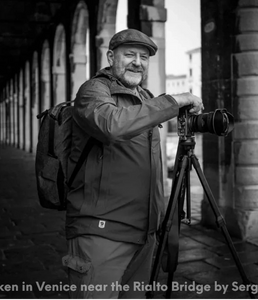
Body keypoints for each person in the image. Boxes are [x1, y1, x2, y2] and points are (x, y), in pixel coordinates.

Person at [61, 28, 203, 300]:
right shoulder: (93, 91)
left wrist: (161, 226)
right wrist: (174, 101)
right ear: (111, 56)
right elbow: (111, 125)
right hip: (101, 234)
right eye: (130, 55)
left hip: (145, 235)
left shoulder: (147, 99)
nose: (138, 61)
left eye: (144, 57)